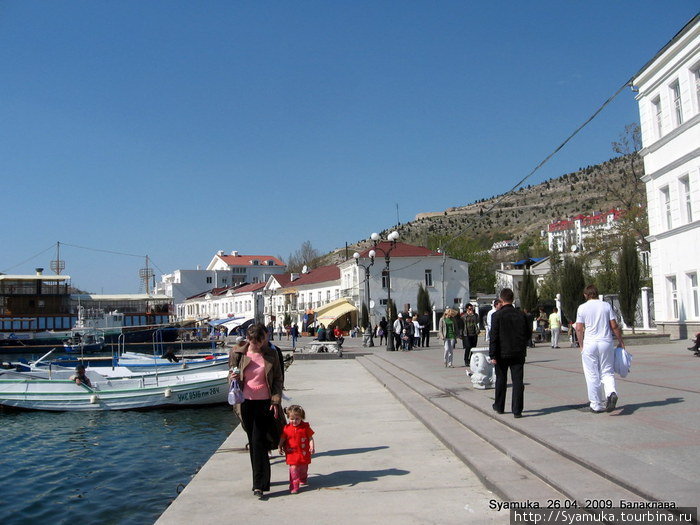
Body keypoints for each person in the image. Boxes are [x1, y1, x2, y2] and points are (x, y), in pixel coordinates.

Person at [229, 323, 284, 499]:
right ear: (248, 339)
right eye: (253, 342)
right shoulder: (238, 353)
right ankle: (263, 480)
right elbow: (230, 375)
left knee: (258, 440)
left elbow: (277, 379)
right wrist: (232, 377)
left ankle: (258, 485)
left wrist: (275, 401)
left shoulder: (272, 354)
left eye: (259, 342)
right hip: (245, 403)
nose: (256, 345)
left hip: (264, 403)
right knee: (254, 443)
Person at [575, 285, 626, 414]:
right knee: (607, 371)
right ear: (597, 294)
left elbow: (579, 328)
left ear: (586, 295)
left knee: (592, 374)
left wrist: (581, 345)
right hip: (606, 342)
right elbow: (614, 326)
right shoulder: (606, 306)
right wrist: (621, 341)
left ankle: (596, 404)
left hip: (590, 343)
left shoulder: (582, 308)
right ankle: (611, 393)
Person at [489, 288, 530, 418]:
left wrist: (492, 355)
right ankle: (517, 410)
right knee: (518, 381)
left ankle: (499, 406)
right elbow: (528, 334)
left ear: (501, 300)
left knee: (501, 379)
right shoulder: (521, 315)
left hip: (501, 353)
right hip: (518, 353)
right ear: (513, 299)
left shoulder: (497, 316)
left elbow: (493, 337)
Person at [278, 404, 315, 494]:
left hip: (303, 453)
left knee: (303, 468)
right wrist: (280, 445)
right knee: (293, 469)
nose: (294, 421)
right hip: (292, 453)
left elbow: (310, 437)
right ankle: (294, 486)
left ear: (301, 417)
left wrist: (312, 446)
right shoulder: (286, 428)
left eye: (297, 419)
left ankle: (303, 478)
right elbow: (283, 438)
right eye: (291, 419)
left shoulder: (305, 427)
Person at [462, 304, 480, 368]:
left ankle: (471, 360)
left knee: (473, 348)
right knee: (468, 347)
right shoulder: (464, 316)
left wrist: (473, 315)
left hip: (474, 333)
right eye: (470, 309)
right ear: (467, 309)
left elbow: (477, 321)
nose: (471, 310)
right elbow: (461, 323)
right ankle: (466, 360)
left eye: (472, 309)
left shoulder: (475, 315)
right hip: (466, 334)